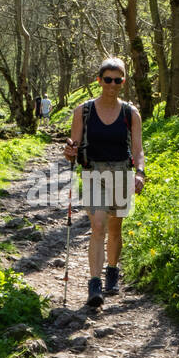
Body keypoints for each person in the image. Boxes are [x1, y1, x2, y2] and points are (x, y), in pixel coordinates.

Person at [62, 57, 146, 306]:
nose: (112, 84)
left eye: (117, 80)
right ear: (99, 80)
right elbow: (73, 144)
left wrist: (140, 172)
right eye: (107, 79)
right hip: (93, 172)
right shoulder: (83, 111)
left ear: (123, 81)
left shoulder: (131, 113)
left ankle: (112, 270)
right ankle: (94, 285)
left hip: (122, 173)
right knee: (98, 225)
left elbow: (138, 149)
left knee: (114, 228)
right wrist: (69, 151)